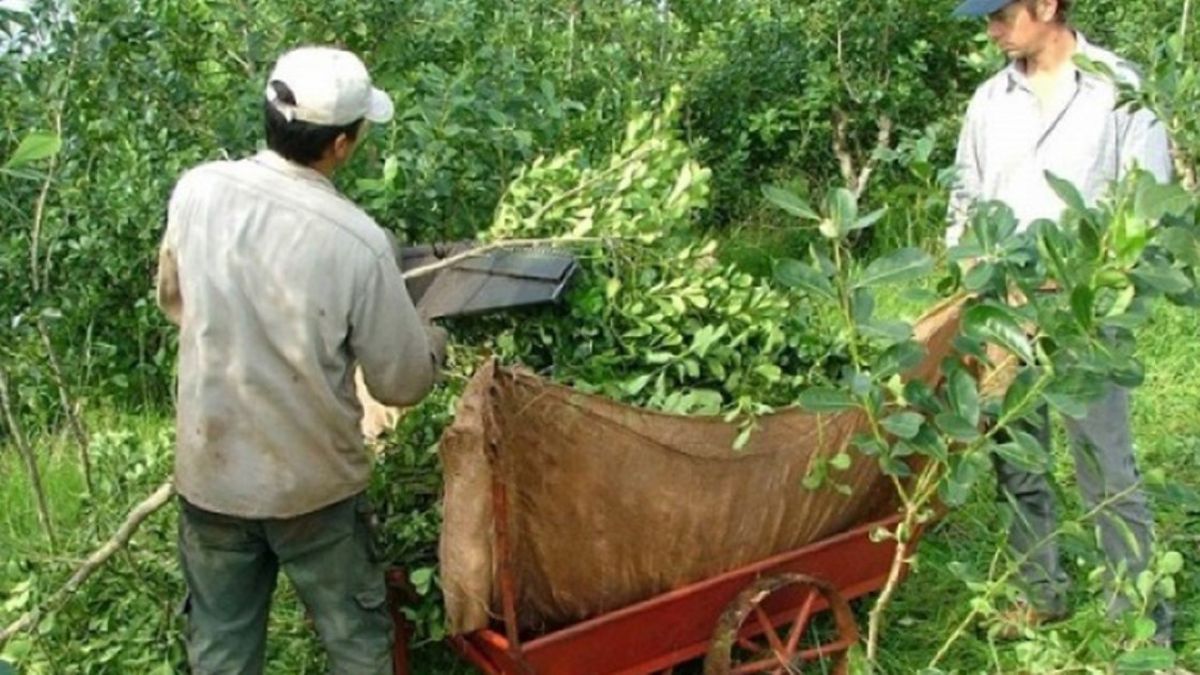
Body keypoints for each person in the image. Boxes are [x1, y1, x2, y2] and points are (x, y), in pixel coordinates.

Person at [155, 46, 446, 673]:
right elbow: (401, 383)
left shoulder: (196, 192)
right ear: (341, 143)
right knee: (355, 645)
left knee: (221, 647)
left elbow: (175, 300)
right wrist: (433, 341)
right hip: (313, 491)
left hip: (212, 476)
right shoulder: (360, 243)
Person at [947, 0, 1173, 642]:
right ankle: (1038, 592)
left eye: (998, 13)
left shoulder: (1117, 88)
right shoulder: (989, 101)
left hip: (1085, 309)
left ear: (1045, 5)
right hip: (1002, 308)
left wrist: (1080, 280)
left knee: (1105, 462)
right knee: (1016, 454)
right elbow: (965, 197)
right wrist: (971, 272)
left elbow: (1146, 203)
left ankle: (1137, 623)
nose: (988, 27)